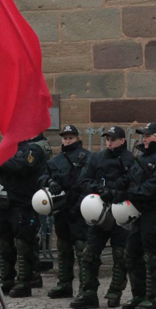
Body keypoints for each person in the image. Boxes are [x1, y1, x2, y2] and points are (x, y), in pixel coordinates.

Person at [115, 123, 156, 309]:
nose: (144, 139)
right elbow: (133, 177)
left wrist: (130, 193)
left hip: (155, 211)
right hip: (138, 211)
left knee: (152, 255)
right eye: (143, 135)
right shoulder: (141, 156)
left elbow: (155, 185)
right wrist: (122, 185)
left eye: (148, 135)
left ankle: (153, 298)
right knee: (132, 253)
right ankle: (138, 294)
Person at [72, 126, 134, 309]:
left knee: (119, 254)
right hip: (98, 210)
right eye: (107, 139)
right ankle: (88, 292)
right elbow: (84, 179)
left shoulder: (130, 159)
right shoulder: (97, 157)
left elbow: (133, 183)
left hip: (120, 210)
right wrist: (99, 189)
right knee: (89, 253)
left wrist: (116, 191)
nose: (109, 143)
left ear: (122, 141)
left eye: (113, 139)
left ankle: (115, 291)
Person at [0, 133, 51, 297]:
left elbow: (23, 166)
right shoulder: (8, 149)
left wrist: (2, 161)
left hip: (23, 202)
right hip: (5, 202)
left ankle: (24, 282)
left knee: (23, 244)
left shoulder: (33, 148)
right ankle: (6, 280)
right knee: (4, 242)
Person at [38, 124, 90, 299]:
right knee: (63, 248)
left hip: (81, 207)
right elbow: (43, 176)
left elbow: (91, 180)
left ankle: (86, 287)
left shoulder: (87, 157)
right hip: (62, 208)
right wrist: (48, 181)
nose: (67, 140)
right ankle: (64, 283)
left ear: (77, 138)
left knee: (82, 249)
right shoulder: (55, 160)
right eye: (65, 137)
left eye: (71, 137)